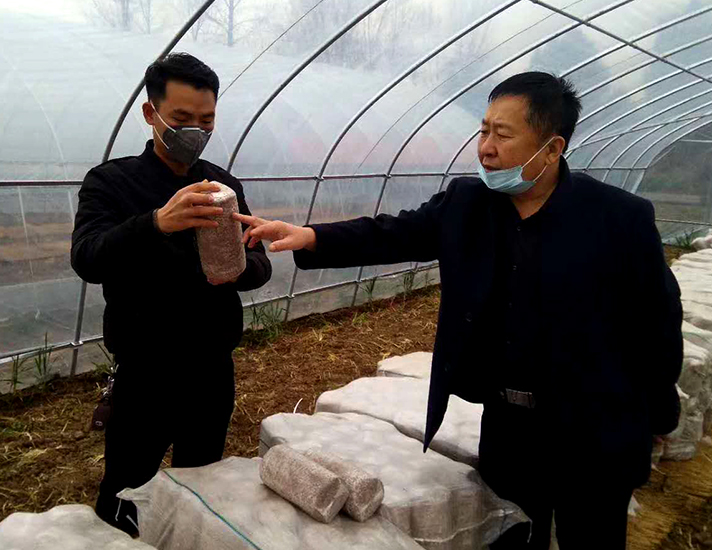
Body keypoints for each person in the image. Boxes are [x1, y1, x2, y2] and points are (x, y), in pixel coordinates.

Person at [233, 72, 683, 549]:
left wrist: (659, 416)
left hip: (595, 424)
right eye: (483, 130)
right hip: (510, 426)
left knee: (591, 537)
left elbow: (657, 321)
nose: (485, 148)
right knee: (510, 534)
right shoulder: (468, 203)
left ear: (552, 148)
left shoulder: (618, 218)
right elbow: (392, 234)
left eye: (502, 134)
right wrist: (311, 236)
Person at [71, 53, 271, 535]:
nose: (195, 132)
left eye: (207, 121)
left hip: (212, 371)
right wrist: (156, 223)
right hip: (146, 374)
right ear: (151, 113)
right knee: (125, 489)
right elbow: (88, 257)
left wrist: (233, 269)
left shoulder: (222, 185)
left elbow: (258, 264)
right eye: (181, 119)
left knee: (200, 488)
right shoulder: (111, 182)